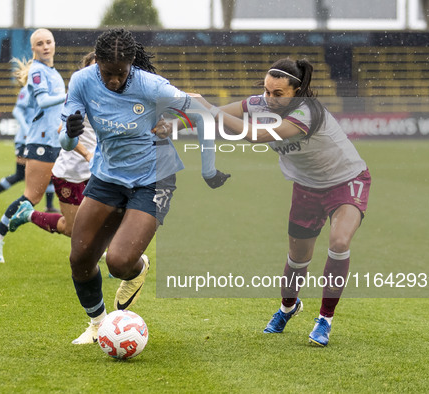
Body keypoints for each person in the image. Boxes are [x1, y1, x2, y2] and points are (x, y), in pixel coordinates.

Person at [59, 28, 230, 344]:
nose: (113, 80)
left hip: (153, 178)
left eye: (120, 74)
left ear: (131, 63)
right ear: (96, 63)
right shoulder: (82, 81)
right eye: (107, 73)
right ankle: (98, 324)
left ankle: (137, 270)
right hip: (107, 176)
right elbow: (67, 142)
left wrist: (208, 170)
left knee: (119, 262)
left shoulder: (151, 86)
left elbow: (202, 115)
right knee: (80, 259)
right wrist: (69, 133)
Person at [200, 58, 371, 347]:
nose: (269, 99)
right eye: (266, 91)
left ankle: (324, 320)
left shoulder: (308, 112)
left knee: (339, 243)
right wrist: (172, 123)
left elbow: (256, 135)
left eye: (277, 94)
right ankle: (288, 308)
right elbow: (212, 117)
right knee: (297, 258)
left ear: (298, 91)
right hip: (307, 188)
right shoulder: (261, 103)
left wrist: (209, 107)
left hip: (346, 181)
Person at [0, 28, 66, 263]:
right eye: (40, 43)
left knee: (79, 192)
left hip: (56, 141)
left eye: (48, 42)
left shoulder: (53, 72)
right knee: (30, 197)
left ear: (54, 44)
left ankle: (93, 246)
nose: (45, 46)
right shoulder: (38, 71)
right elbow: (44, 101)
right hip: (40, 142)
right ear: (34, 49)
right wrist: (70, 95)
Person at [8, 52, 98, 237]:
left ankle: (113, 257)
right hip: (72, 172)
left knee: (105, 219)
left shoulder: (111, 96)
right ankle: (28, 214)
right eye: (93, 68)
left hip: (96, 171)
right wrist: (88, 154)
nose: (98, 72)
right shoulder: (78, 96)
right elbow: (61, 130)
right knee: (71, 229)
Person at [0, 76, 58, 214]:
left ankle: (49, 205)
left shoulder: (46, 92)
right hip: (25, 139)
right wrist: (27, 129)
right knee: (20, 174)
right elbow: (17, 111)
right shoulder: (27, 90)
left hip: (41, 140)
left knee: (50, 171)